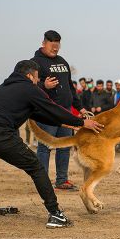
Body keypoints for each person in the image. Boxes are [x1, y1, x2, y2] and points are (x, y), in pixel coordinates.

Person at [0, 60, 103, 230]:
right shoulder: (29, 88)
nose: (38, 82)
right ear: (29, 75)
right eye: (37, 78)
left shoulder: (4, 88)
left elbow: (39, 114)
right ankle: (55, 214)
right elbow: (51, 108)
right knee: (36, 167)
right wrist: (81, 122)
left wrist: (68, 124)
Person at [31, 30, 86, 191]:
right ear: (43, 43)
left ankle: (62, 180)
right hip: (46, 112)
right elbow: (28, 85)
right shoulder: (34, 63)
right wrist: (44, 86)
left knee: (64, 146)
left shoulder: (62, 62)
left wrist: (80, 107)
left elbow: (70, 87)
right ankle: (42, 182)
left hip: (66, 112)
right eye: (52, 46)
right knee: (45, 147)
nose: (55, 49)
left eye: (57, 46)